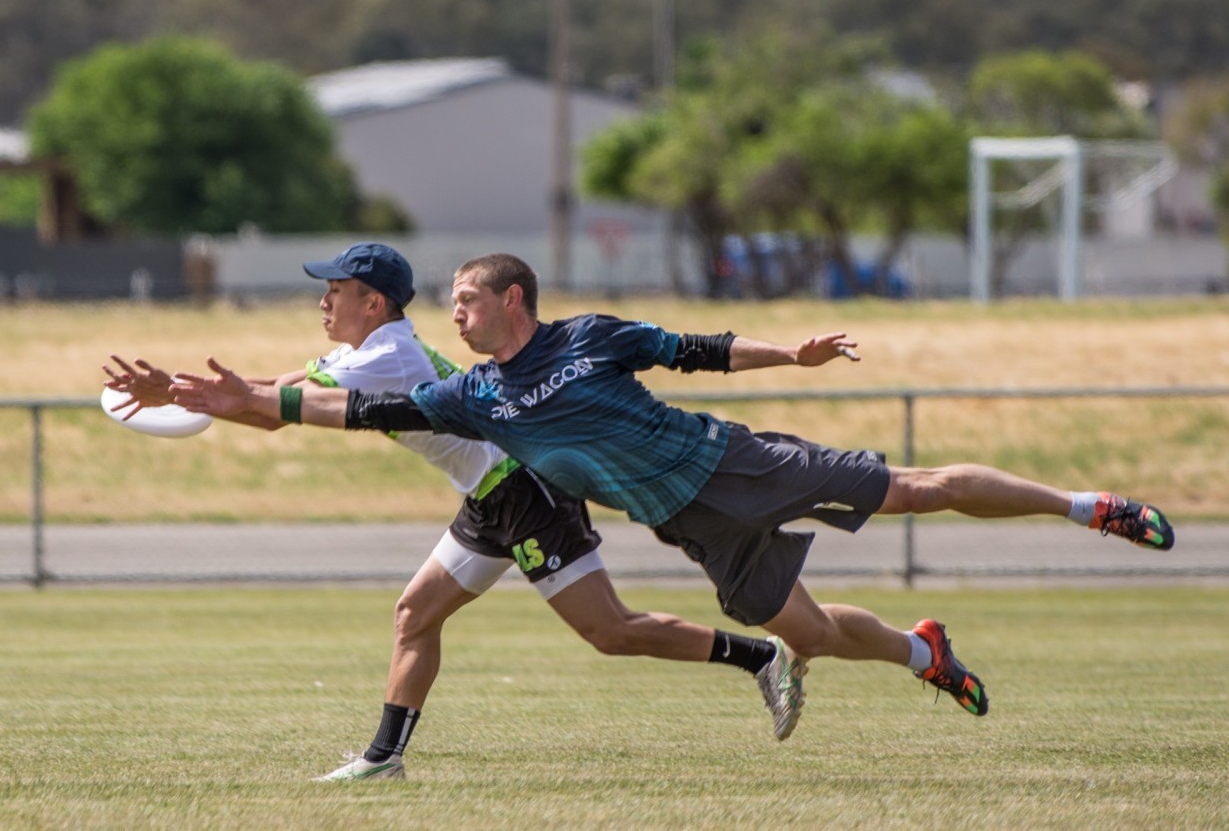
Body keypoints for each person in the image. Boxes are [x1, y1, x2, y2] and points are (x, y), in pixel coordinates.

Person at [170, 251, 1176, 735]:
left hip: (736, 462)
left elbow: (702, 351)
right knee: (814, 636)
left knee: (924, 486)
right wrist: (247, 401)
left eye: (469, 300)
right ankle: (925, 654)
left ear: (511, 299)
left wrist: (800, 352)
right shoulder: (470, 396)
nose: (458, 314)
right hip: (693, 527)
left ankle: (1092, 507)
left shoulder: (588, 337)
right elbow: (370, 416)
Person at [105, 243, 808, 782]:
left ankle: (759, 654)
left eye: (335, 291)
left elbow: (270, 413)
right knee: (416, 614)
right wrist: (178, 390)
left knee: (610, 632)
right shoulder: (366, 349)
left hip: (524, 490)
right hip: (488, 493)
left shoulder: (383, 359)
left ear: (374, 303)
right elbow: (265, 391)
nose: (323, 302)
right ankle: (385, 758)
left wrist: (183, 395)